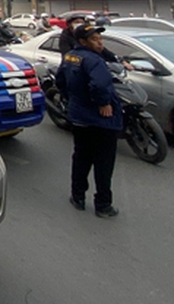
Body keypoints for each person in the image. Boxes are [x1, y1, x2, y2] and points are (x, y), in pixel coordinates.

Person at [56, 23, 122, 218]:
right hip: (100, 119)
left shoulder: (70, 57)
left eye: (100, 39)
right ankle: (103, 204)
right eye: (94, 39)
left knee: (81, 157)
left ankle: (77, 196)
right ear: (83, 41)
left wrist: (74, 99)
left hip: (78, 116)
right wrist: (103, 103)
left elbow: (61, 82)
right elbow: (101, 85)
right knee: (104, 162)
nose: (100, 43)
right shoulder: (94, 60)